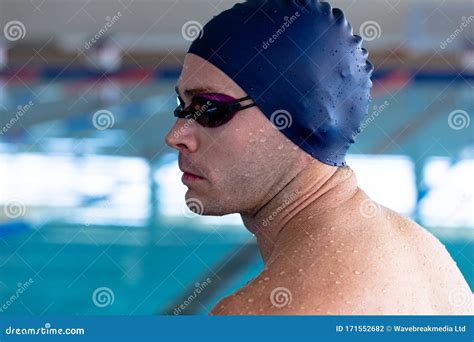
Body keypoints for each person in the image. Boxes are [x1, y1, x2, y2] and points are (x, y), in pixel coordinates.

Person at [165, 0, 472, 315]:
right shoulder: (422, 253)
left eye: (209, 109)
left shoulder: (262, 315)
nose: (175, 136)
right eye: (182, 104)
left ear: (300, 119)